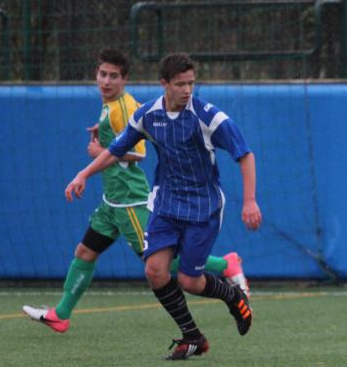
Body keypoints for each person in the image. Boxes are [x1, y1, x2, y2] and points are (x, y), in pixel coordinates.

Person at [23, 48, 249, 334]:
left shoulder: (127, 107)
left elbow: (137, 152)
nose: (106, 81)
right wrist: (95, 153)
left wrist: (98, 151)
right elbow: (128, 132)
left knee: (162, 266)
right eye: (102, 74)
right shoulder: (115, 107)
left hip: (131, 200)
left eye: (113, 76)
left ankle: (225, 265)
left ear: (124, 79)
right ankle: (61, 314)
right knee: (86, 251)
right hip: (112, 202)